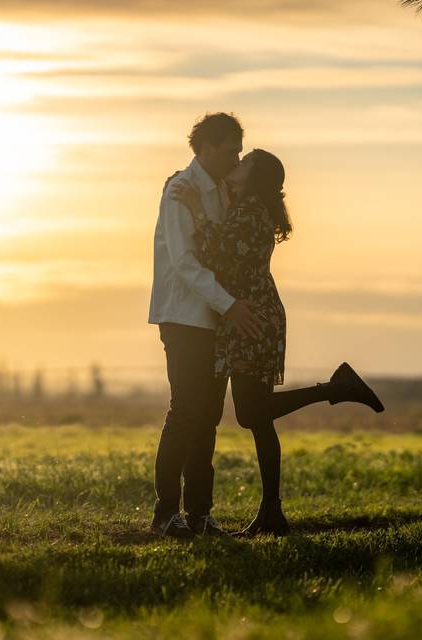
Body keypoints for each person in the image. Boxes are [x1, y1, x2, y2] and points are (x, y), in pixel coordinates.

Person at [170, 148, 384, 537]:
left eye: (245, 161)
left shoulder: (251, 210)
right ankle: (271, 512)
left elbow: (217, 253)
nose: (236, 162)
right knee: (260, 419)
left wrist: (196, 209)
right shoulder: (245, 205)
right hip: (251, 316)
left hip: (251, 320)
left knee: (252, 414)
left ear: (254, 177)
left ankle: (336, 388)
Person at [148, 112, 261, 539]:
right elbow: (185, 263)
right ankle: (164, 513)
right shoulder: (181, 190)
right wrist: (231, 305)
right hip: (184, 316)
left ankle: (200, 514)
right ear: (208, 147)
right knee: (185, 413)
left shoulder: (222, 189)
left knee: (208, 416)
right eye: (232, 148)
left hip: (215, 319)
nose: (237, 156)